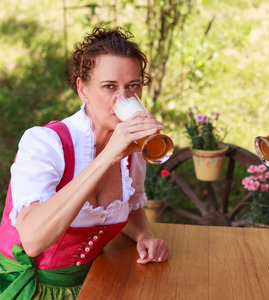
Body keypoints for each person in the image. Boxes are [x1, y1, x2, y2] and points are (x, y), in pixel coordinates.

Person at [0, 26, 170, 299]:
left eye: (133, 86)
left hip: (93, 282)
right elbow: (32, 240)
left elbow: (131, 203)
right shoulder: (44, 144)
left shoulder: (133, 152)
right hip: (23, 288)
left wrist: (144, 235)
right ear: (83, 89)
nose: (123, 97)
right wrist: (107, 157)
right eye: (109, 87)